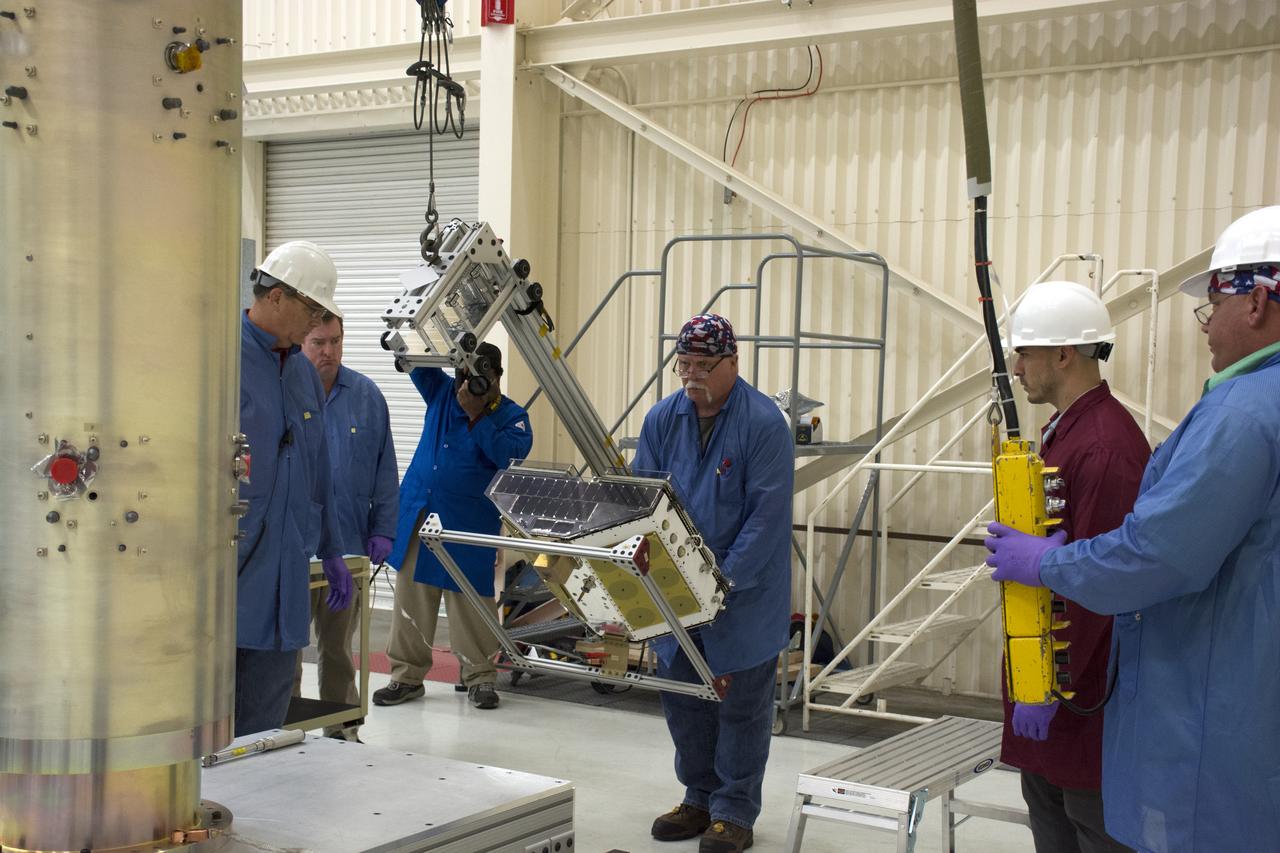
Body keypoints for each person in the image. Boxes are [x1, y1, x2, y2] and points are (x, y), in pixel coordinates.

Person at [984, 206, 1280, 852]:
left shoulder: (1237, 416)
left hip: (1179, 710)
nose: (1206, 325)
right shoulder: (1071, 431)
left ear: (1257, 301)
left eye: (1213, 305)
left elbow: (1148, 558)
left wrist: (1046, 574)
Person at [634, 313, 793, 853]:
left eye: (704, 365)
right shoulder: (661, 420)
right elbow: (644, 501)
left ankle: (734, 810)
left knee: (741, 705)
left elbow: (767, 518)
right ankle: (697, 797)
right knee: (683, 699)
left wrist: (719, 582)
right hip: (676, 592)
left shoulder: (764, 424)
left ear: (733, 363)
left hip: (740, 595)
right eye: (684, 365)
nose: (692, 376)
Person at [1002, 281, 1149, 853]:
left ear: (1064, 353)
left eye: (1026, 352)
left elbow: (1100, 589)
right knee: (1051, 825)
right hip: (1049, 685)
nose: (1016, 366)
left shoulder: (1106, 447)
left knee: (1092, 830)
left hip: (1081, 699)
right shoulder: (1066, 430)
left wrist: (1051, 688)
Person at [372, 343, 532, 711]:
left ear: (497, 378)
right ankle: (406, 677)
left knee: (470, 605)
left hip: (468, 525)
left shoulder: (512, 416)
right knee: (412, 599)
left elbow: (509, 455)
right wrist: (426, 346)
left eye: (479, 378)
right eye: (463, 376)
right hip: (420, 512)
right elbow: (418, 367)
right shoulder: (444, 393)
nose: (468, 385)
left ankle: (479, 678)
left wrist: (478, 416)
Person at [237, 240, 352, 737]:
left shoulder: (303, 373)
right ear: (277, 296)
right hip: (231, 569)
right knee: (211, 719)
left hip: (285, 573)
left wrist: (331, 548)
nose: (315, 323)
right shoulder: (222, 357)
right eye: (311, 308)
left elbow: (316, 468)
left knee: (266, 718)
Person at [295, 312, 399, 740]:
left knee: (338, 645)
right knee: (281, 649)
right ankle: (278, 727)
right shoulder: (284, 392)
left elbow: (384, 469)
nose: (328, 352)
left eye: (336, 341)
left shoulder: (366, 396)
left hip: (350, 547)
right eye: (319, 342)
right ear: (301, 342)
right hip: (294, 551)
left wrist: (384, 528)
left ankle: (340, 727)